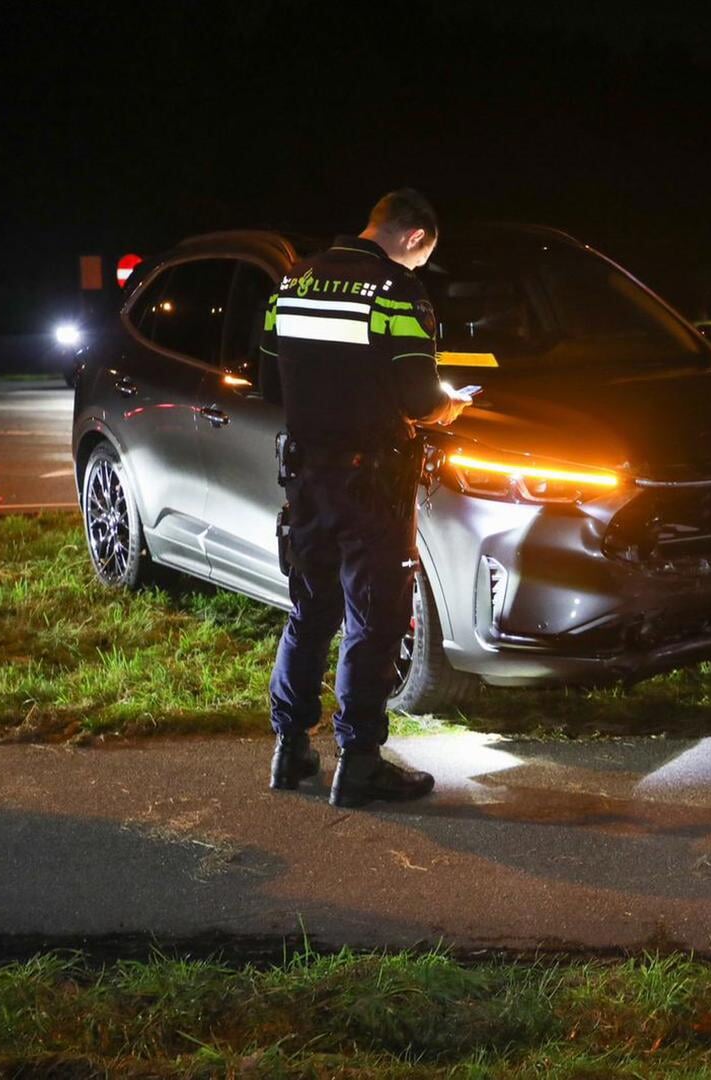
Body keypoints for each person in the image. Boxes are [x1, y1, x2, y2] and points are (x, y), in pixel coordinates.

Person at [259, 189, 469, 807]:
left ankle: (290, 751)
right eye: (422, 257)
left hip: (306, 480)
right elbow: (420, 400)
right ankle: (360, 763)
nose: (418, 269)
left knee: (310, 610)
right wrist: (451, 404)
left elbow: (272, 379)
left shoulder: (290, 284)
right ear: (413, 236)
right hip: (373, 483)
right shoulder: (397, 294)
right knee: (372, 618)